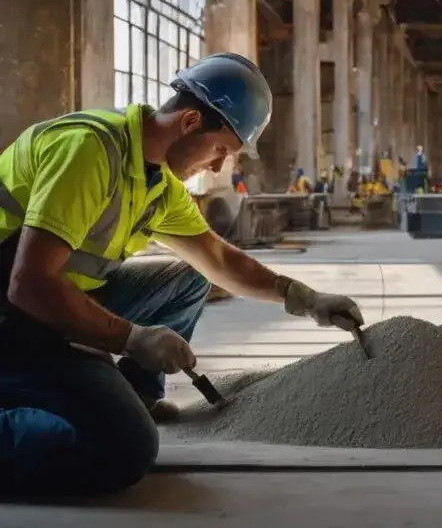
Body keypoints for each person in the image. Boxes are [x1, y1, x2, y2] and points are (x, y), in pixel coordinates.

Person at [0, 52, 364, 497]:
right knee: (122, 450)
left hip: (46, 300)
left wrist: (305, 298)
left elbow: (219, 260)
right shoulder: (89, 150)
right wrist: (131, 338)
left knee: (188, 278)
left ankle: (136, 395)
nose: (216, 168)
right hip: (15, 312)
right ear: (191, 121)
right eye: (220, 151)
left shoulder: (157, 183)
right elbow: (30, 283)